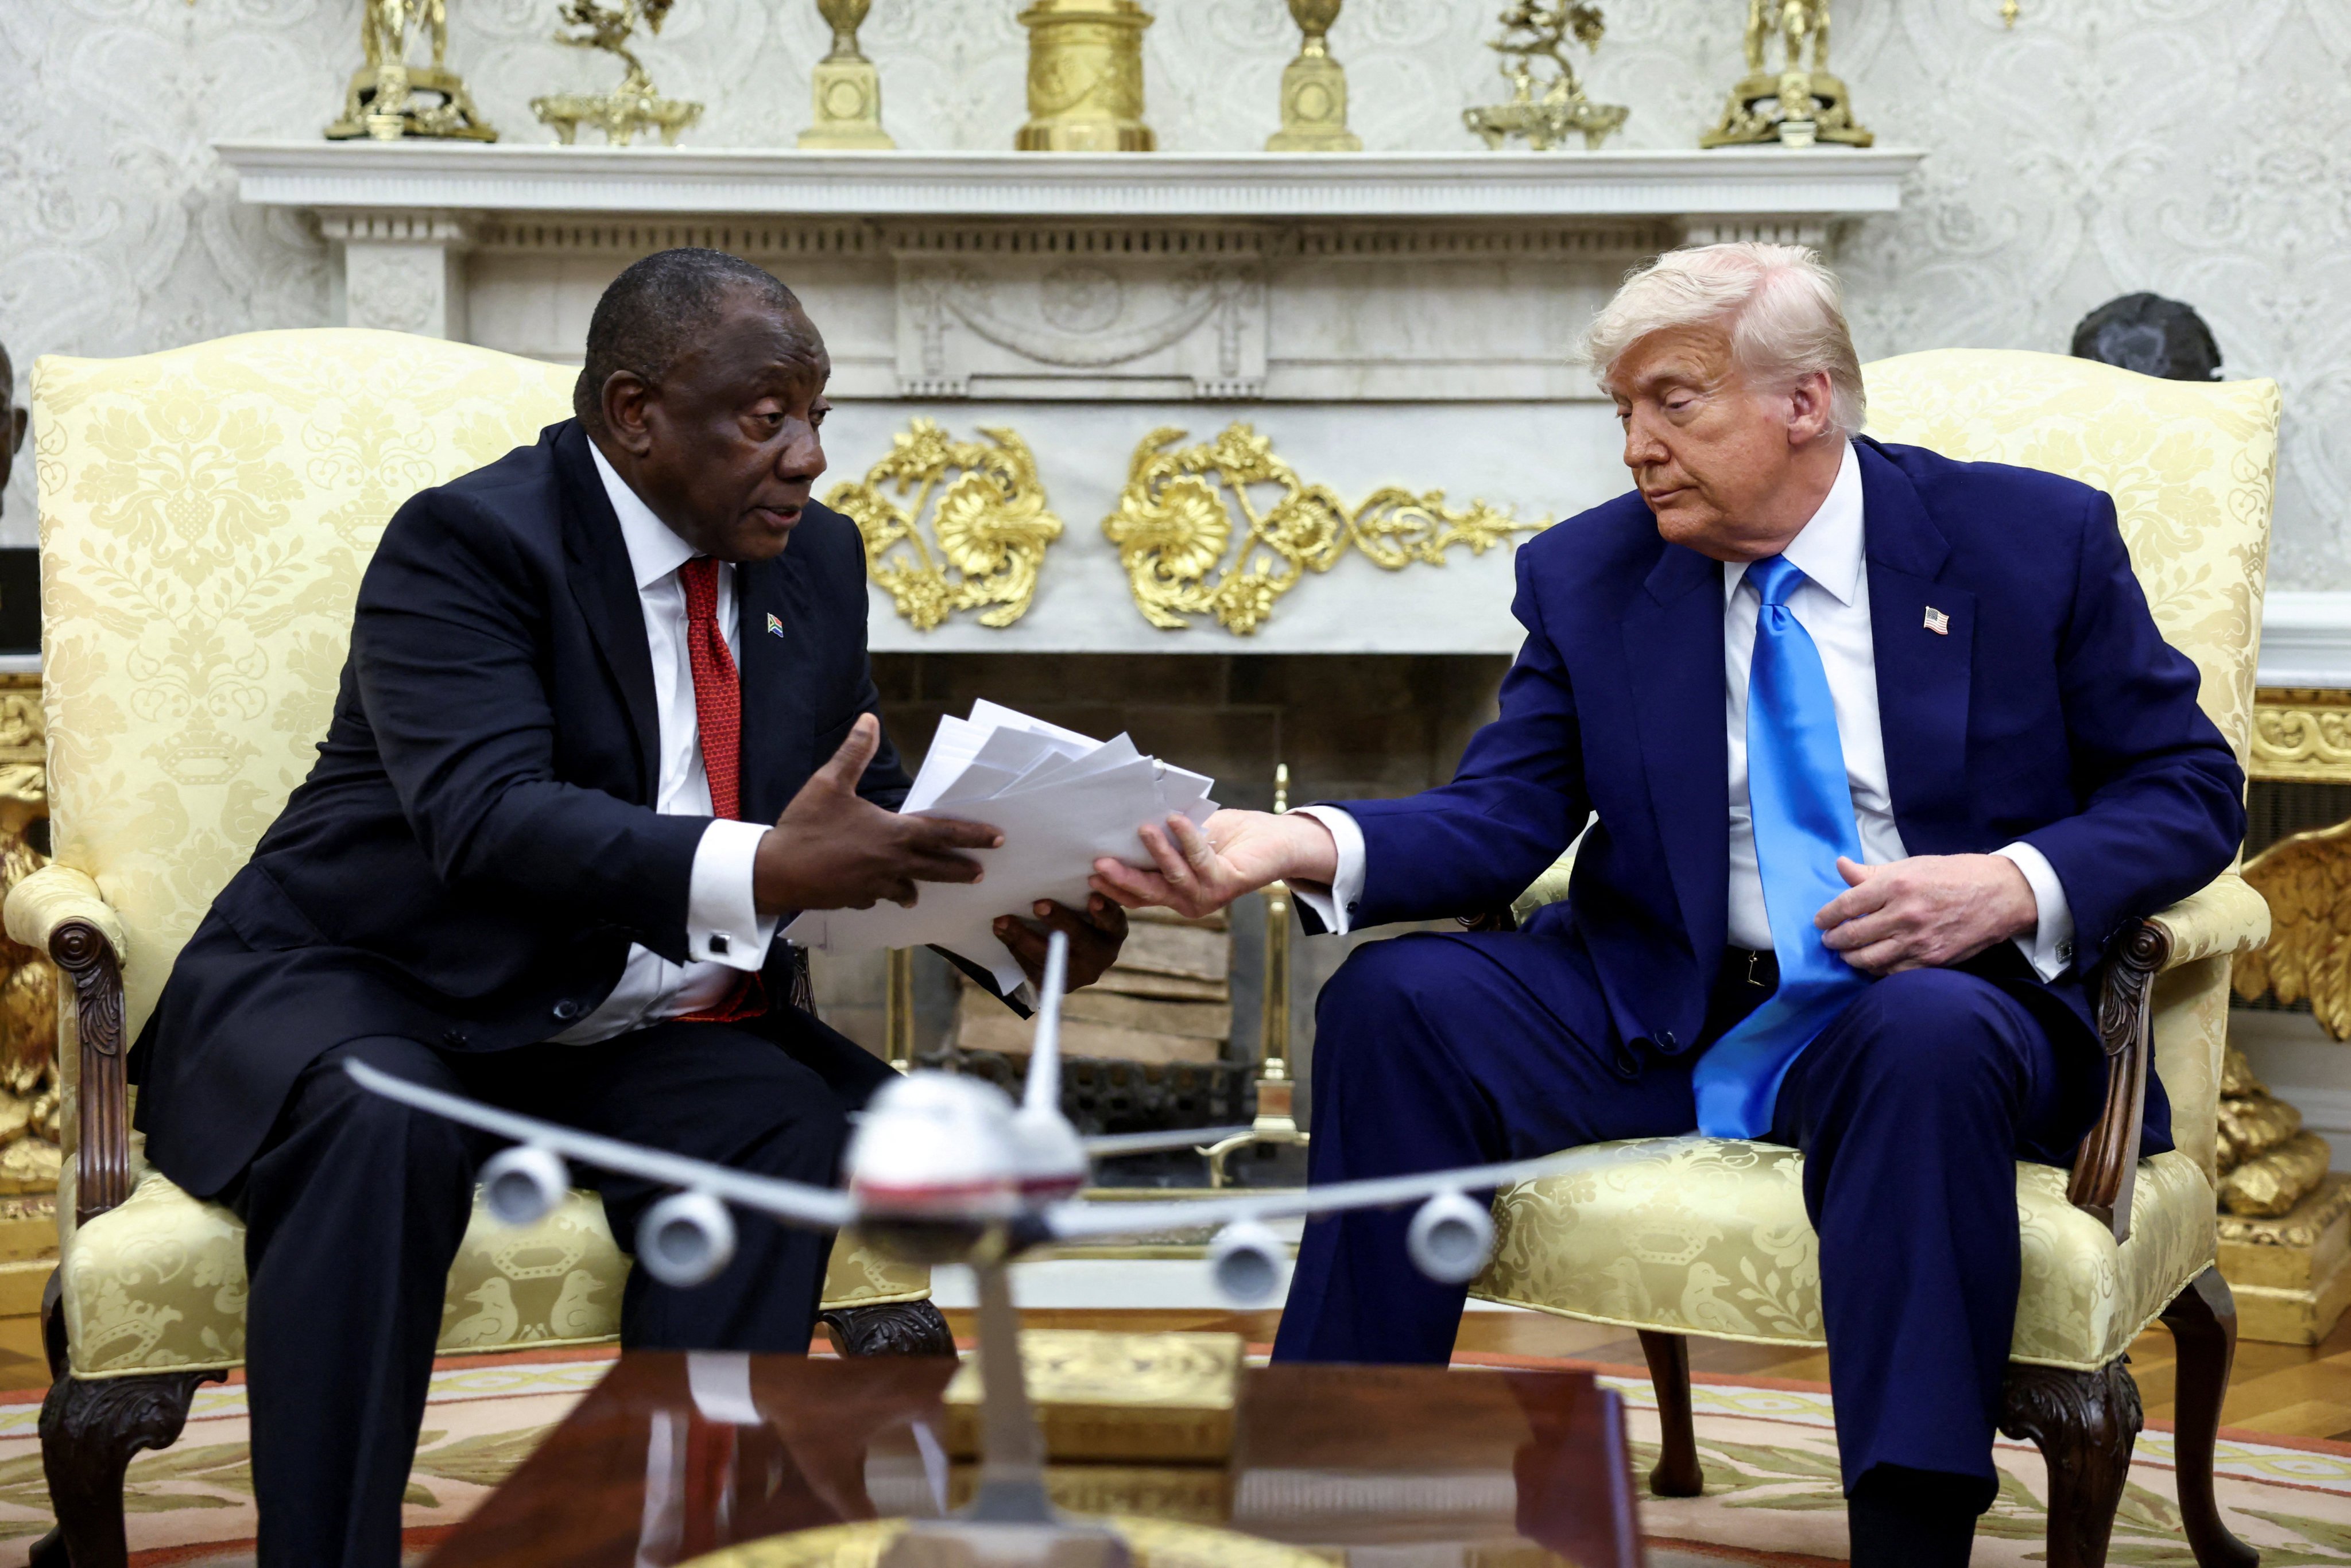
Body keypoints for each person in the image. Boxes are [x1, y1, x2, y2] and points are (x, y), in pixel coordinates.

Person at [1091, 243, 2244, 1566]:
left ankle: (1909, 1532)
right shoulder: (1590, 574)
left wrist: (2006, 885)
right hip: (1667, 1001)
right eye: (1621, 412)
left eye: (1672, 401)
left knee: (1917, 1036)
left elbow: (2185, 786)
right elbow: (1503, 818)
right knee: (1397, 1000)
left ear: (1801, 401)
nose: (1636, 445)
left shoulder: (2029, 540)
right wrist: (1283, 841)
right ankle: (1335, 1480)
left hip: (1949, 1011)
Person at [128, 247, 1129, 1567]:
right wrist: (765, 867)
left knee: (780, 1127)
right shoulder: (472, 541)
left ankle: (671, 1532)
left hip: (624, 1029)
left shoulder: (814, 560)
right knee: (388, 1120)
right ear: (633, 413)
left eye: (819, 415)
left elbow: (853, 806)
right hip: (383, 984)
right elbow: (486, 816)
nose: (811, 457)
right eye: (766, 417)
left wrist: (1014, 913)